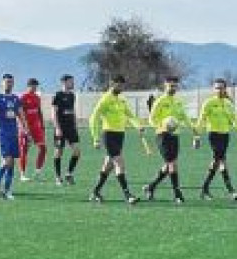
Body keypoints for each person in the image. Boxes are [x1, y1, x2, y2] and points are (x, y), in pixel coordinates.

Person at [89, 75, 143, 204]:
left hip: (120, 135)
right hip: (109, 135)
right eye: (119, 85)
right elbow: (93, 118)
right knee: (119, 162)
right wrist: (95, 138)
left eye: (122, 85)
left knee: (108, 165)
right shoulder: (105, 99)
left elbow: (130, 115)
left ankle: (95, 192)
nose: (121, 87)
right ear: (112, 84)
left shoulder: (121, 99)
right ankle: (127, 195)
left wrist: (138, 126)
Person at [143, 76, 197, 204]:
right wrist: (163, 125)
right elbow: (151, 119)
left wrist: (194, 131)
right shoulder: (160, 101)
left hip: (175, 136)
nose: (172, 88)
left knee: (169, 165)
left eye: (174, 86)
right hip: (163, 135)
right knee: (172, 164)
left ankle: (151, 187)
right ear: (165, 86)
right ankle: (177, 194)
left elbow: (184, 117)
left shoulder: (178, 102)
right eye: (170, 86)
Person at [195, 78, 237, 200]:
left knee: (219, 161)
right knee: (219, 160)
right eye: (217, 88)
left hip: (225, 135)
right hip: (213, 135)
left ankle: (205, 189)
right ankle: (230, 190)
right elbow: (201, 120)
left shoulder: (229, 104)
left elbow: (234, 120)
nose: (219, 90)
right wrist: (197, 136)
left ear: (225, 89)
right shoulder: (208, 103)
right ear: (213, 89)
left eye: (221, 88)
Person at [0, 74, 28, 200]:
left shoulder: (16, 99)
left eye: (11, 82)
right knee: (7, 161)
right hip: (2, 135)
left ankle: (7, 191)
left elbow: (21, 116)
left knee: (11, 164)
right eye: (7, 82)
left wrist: (26, 131)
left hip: (14, 134)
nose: (9, 84)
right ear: (2, 83)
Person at [51, 74, 80, 186]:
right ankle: (58, 177)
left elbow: (72, 110)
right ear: (64, 82)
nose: (73, 83)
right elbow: (53, 113)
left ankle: (69, 174)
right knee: (59, 152)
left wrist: (75, 124)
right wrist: (57, 128)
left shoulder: (72, 95)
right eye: (71, 81)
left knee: (77, 151)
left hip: (71, 128)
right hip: (61, 128)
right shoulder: (58, 95)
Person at [18, 78, 46, 182]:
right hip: (26, 128)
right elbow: (19, 113)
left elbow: (39, 111)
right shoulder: (23, 98)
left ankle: (37, 172)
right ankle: (22, 175)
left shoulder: (37, 97)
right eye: (33, 86)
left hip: (36, 127)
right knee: (24, 150)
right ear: (28, 86)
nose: (35, 88)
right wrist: (24, 128)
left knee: (43, 148)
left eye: (36, 86)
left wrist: (42, 125)